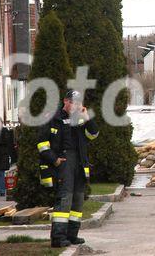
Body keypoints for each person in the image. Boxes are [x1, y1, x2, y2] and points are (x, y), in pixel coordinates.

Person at [37, 90, 99, 248]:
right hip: (63, 164)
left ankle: (72, 235)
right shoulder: (53, 118)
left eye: (78, 103)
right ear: (65, 101)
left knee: (77, 201)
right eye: (72, 102)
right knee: (65, 200)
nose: (75, 106)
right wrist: (55, 160)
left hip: (79, 164)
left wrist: (88, 119)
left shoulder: (81, 119)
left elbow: (94, 135)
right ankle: (58, 238)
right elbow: (42, 144)